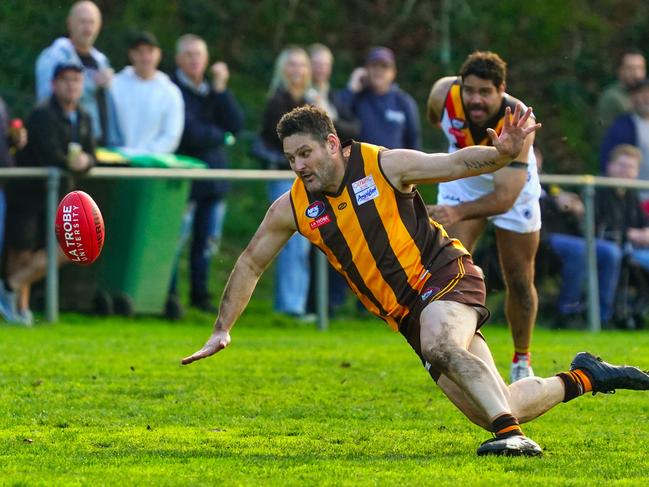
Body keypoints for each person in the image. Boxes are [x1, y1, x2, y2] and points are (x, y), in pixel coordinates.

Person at [181, 105, 649, 457]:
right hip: (408, 315)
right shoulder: (293, 207)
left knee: (445, 349)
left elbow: (452, 163)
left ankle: (514, 440)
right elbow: (249, 264)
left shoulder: (384, 165)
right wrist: (223, 328)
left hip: (445, 276)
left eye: (305, 152)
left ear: (331, 143)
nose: (299, 165)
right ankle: (587, 375)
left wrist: (501, 154)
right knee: (495, 402)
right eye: (290, 158)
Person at [426, 51, 541, 383]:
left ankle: (521, 359)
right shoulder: (442, 94)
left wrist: (457, 210)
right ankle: (455, 352)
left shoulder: (518, 120)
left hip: (511, 184)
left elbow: (504, 198)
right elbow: (437, 118)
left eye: (485, 92)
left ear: (501, 89)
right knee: (449, 269)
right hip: (465, 174)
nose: (475, 99)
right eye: (469, 90)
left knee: (518, 277)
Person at [0, 62, 95, 325]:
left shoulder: (85, 117)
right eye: (66, 80)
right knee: (22, 252)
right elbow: (48, 154)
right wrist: (71, 162)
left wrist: (85, 162)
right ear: (54, 84)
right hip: (28, 194)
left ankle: (9, 286)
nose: (72, 85)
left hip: (62, 195)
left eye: (77, 80)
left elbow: (92, 154)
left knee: (69, 247)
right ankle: (19, 310)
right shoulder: (42, 114)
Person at [169, 34, 244, 313]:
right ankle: (170, 297)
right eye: (188, 54)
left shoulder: (213, 91)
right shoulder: (172, 89)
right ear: (178, 59)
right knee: (176, 242)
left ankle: (200, 296)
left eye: (198, 54)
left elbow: (236, 123)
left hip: (214, 181)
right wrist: (222, 137)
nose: (194, 59)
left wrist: (222, 89)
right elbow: (190, 134)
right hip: (183, 181)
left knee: (206, 244)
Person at [256, 46, 313, 319]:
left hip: (309, 179)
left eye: (301, 64)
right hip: (284, 178)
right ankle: (289, 306)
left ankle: (298, 304)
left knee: (303, 245)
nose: (297, 70)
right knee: (290, 243)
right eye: (291, 64)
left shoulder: (312, 100)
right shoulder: (277, 102)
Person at [306, 43, 360, 314]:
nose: (320, 68)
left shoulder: (336, 97)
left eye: (325, 63)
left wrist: (331, 116)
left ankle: (332, 304)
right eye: (315, 62)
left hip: (336, 180)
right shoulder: (297, 95)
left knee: (339, 239)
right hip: (307, 182)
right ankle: (307, 307)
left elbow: (354, 128)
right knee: (311, 243)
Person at [35, 1, 120, 146]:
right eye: (82, 21)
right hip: (66, 144)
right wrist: (91, 84)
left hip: (102, 145)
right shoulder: (53, 56)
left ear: (99, 26)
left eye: (92, 22)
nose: (87, 28)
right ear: (70, 24)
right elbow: (46, 96)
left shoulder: (101, 61)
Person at [112, 31, 184, 154]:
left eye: (150, 51)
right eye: (139, 52)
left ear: (158, 54)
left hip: (154, 166)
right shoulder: (114, 85)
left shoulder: (170, 91)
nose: (145, 57)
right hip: (117, 161)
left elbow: (171, 135)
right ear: (131, 54)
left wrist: (147, 156)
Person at [338, 46, 421, 150]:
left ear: (393, 72)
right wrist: (351, 88)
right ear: (366, 70)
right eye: (374, 65)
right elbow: (337, 116)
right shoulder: (357, 98)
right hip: (362, 164)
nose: (378, 70)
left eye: (384, 66)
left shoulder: (404, 102)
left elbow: (413, 141)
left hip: (395, 165)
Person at [597, 145, 649, 273]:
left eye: (631, 167)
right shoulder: (597, 190)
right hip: (613, 248)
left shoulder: (631, 193)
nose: (626, 171)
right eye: (622, 165)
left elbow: (643, 221)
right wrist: (630, 234)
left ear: (636, 172)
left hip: (634, 248)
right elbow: (601, 227)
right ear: (610, 166)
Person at [600, 78, 649, 205]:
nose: (646, 98)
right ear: (633, 98)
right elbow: (608, 162)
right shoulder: (623, 126)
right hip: (634, 198)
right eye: (642, 94)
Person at [597, 49, 646, 136]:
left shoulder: (645, 95)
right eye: (630, 69)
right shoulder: (612, 97)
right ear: (620, 70)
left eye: (640, 68)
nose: (636, 74)